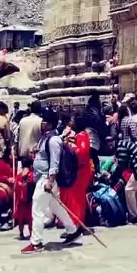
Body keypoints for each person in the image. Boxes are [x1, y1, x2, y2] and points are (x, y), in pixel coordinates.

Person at [23, 109, 81, 254]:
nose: (41, 124)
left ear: (49, 124)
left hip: (46, 180)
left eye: (43, 122)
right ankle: (72, 230)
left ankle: (36, 242)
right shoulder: (45, 138)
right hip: (44, 178)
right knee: (55, 206)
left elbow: (55, 163)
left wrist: (50, 180)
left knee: (37, 209)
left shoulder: (54, 140)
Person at [59, 116, 93, 227]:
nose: (70, 123)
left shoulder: (82, 135)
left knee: (77, 197)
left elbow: (82, 152)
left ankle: (77, 223)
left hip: (82, 170)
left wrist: (69, 148)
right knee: (78, 197)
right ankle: (78, 222)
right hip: (82, 169)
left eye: (72, 121)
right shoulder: (79, 135)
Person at [13, 156, 34, 240]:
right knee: (30, 218)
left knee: (20, 218)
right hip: (28, 200)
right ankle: (31, 233)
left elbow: (15, 188)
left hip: (20, 200)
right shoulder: (31, 174)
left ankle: (21, 233)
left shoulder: (18, 175)